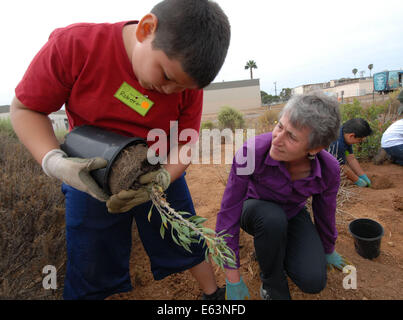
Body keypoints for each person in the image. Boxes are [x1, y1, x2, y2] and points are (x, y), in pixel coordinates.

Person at [10, 0, 231, 300]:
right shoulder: (75, 45)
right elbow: (25, 109)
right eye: (165, 77)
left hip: (157, 165)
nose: (170, 92)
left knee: (185, 237)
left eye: (182, 88)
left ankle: (213, 295)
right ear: (146, 29)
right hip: (90, 172)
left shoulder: (184, 82)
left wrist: (164, 177)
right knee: (90, 260)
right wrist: (56, 163)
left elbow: (185, 141)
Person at [215, 91, 351, 300]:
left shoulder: (329, 169)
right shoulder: (250, 153)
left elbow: (325, 213)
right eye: (280, 126)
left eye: (292, 137)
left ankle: (278, 248)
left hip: (291, 213)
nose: (277, 139)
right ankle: (271, 283)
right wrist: (232, 276)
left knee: (313, 281)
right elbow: (229, 212)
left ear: (315, 148)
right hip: (251, 209)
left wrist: (327, 248)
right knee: (271, 219)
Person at [328, 118, 373, 187]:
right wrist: (357, 180)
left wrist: (362, 175)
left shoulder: (345, 133)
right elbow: (340, 167)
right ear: (351, 136)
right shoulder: (337, 144)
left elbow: (351, 158)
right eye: (359, 140)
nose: (359, 142)